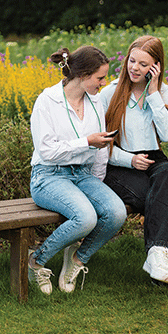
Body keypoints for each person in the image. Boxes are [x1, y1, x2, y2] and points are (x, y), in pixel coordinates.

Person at [99, 35, 168, 292]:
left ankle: (157, 254)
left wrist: (153, 94)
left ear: (156, 66)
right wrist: (128, 159)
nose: (135, 68)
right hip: (119, 163)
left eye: (143, 64)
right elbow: (100, 146)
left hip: (155, 161)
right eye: (132, 61)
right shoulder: (110, 93)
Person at [28, 45, 127, 295]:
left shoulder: (94, 101)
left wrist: (96, 185)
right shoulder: (47, 102)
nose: (103, 84)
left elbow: (101, 148)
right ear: (82, 75)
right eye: (100, 78)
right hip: (48, 175)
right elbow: (47, 151)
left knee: (116, 212)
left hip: (82, 174)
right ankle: (35, 261)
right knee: (85, 217)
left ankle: (77, 260)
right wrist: (85, 142)